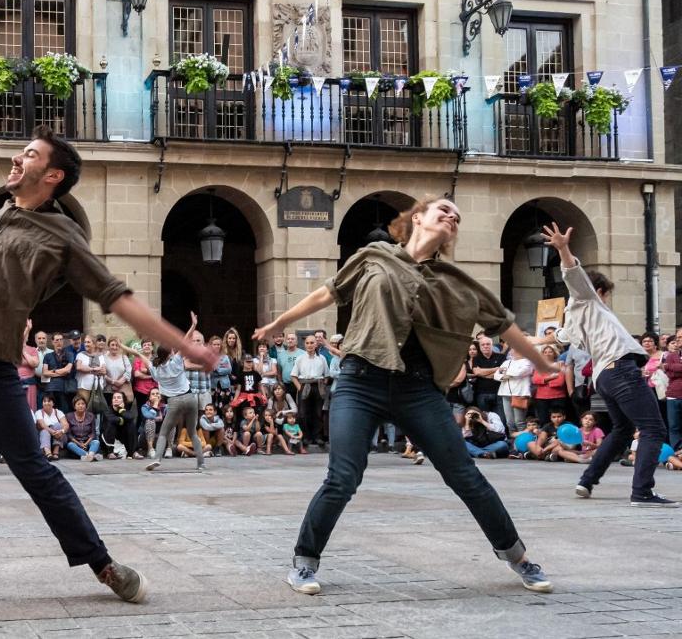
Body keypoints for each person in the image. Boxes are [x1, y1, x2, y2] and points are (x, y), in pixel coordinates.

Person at [0, 126, 218, 610]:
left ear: (54, 174)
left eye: (31, 154)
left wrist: (185, 346)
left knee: (34, 467)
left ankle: (103, 564)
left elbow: (117, 298)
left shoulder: (63, 236)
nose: (18, 158)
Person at [254, 195, 555, 596]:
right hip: (360, 380)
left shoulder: (455, 280)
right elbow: (327, 294)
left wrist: (543, 361)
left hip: (418, 388)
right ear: (418, 218)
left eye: (457, 216)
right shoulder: (375, 256)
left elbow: (504, 325)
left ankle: (518, 558)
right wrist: (280, 320)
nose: (452, 216)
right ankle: (304, 562)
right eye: (443, 209)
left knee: (465, 475)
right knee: (343, 477)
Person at [540, 224, 677, 508]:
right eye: (606, 295)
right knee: (653, 429)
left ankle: (587, 480)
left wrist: (520, 337)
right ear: (599, 290)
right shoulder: (588, 298)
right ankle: (642, 492)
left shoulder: (574, 320)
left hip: (605, 376)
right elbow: (574, 275)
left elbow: (556, 337)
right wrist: (563, 248)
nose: (607, 301)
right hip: (621, 370)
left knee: (623, 430)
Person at [144, 313, 205, 473]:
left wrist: (128, 349)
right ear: (170, 353)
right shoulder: (177, 360)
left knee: (164, 432)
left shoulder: (156, 369)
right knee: (192, 432)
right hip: (191, 398)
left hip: (174, 401)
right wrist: (193, 325)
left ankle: (157, 459)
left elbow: (140, 356)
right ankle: (201, 463)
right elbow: (184, 341)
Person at [64, 395, 100, 461]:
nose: (81, 406)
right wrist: (79, 444)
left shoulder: (91, 415)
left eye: (83, 404)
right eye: (78, 404)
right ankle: (89, 456)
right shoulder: (69, 416)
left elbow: (93, 433)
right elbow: (69, 434)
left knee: (96, 442)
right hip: (75, 443)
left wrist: (86, 443)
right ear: (74, 406)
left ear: (85, 405)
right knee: (70, 444)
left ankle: (89, 456)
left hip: (88, 442)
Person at [34, 394, 67, 460]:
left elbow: (66, 424)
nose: (46, 403)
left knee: (58, 425)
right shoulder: (39, 412)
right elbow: (43, 425)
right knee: (44, 430)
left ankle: (56, 451)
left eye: (49, 401)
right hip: (43, 438)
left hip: (59, 437)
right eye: (44, 401)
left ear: (53, 403)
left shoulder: (58, 412)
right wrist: (53, 432)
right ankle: (48, 452)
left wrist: (61, 431)